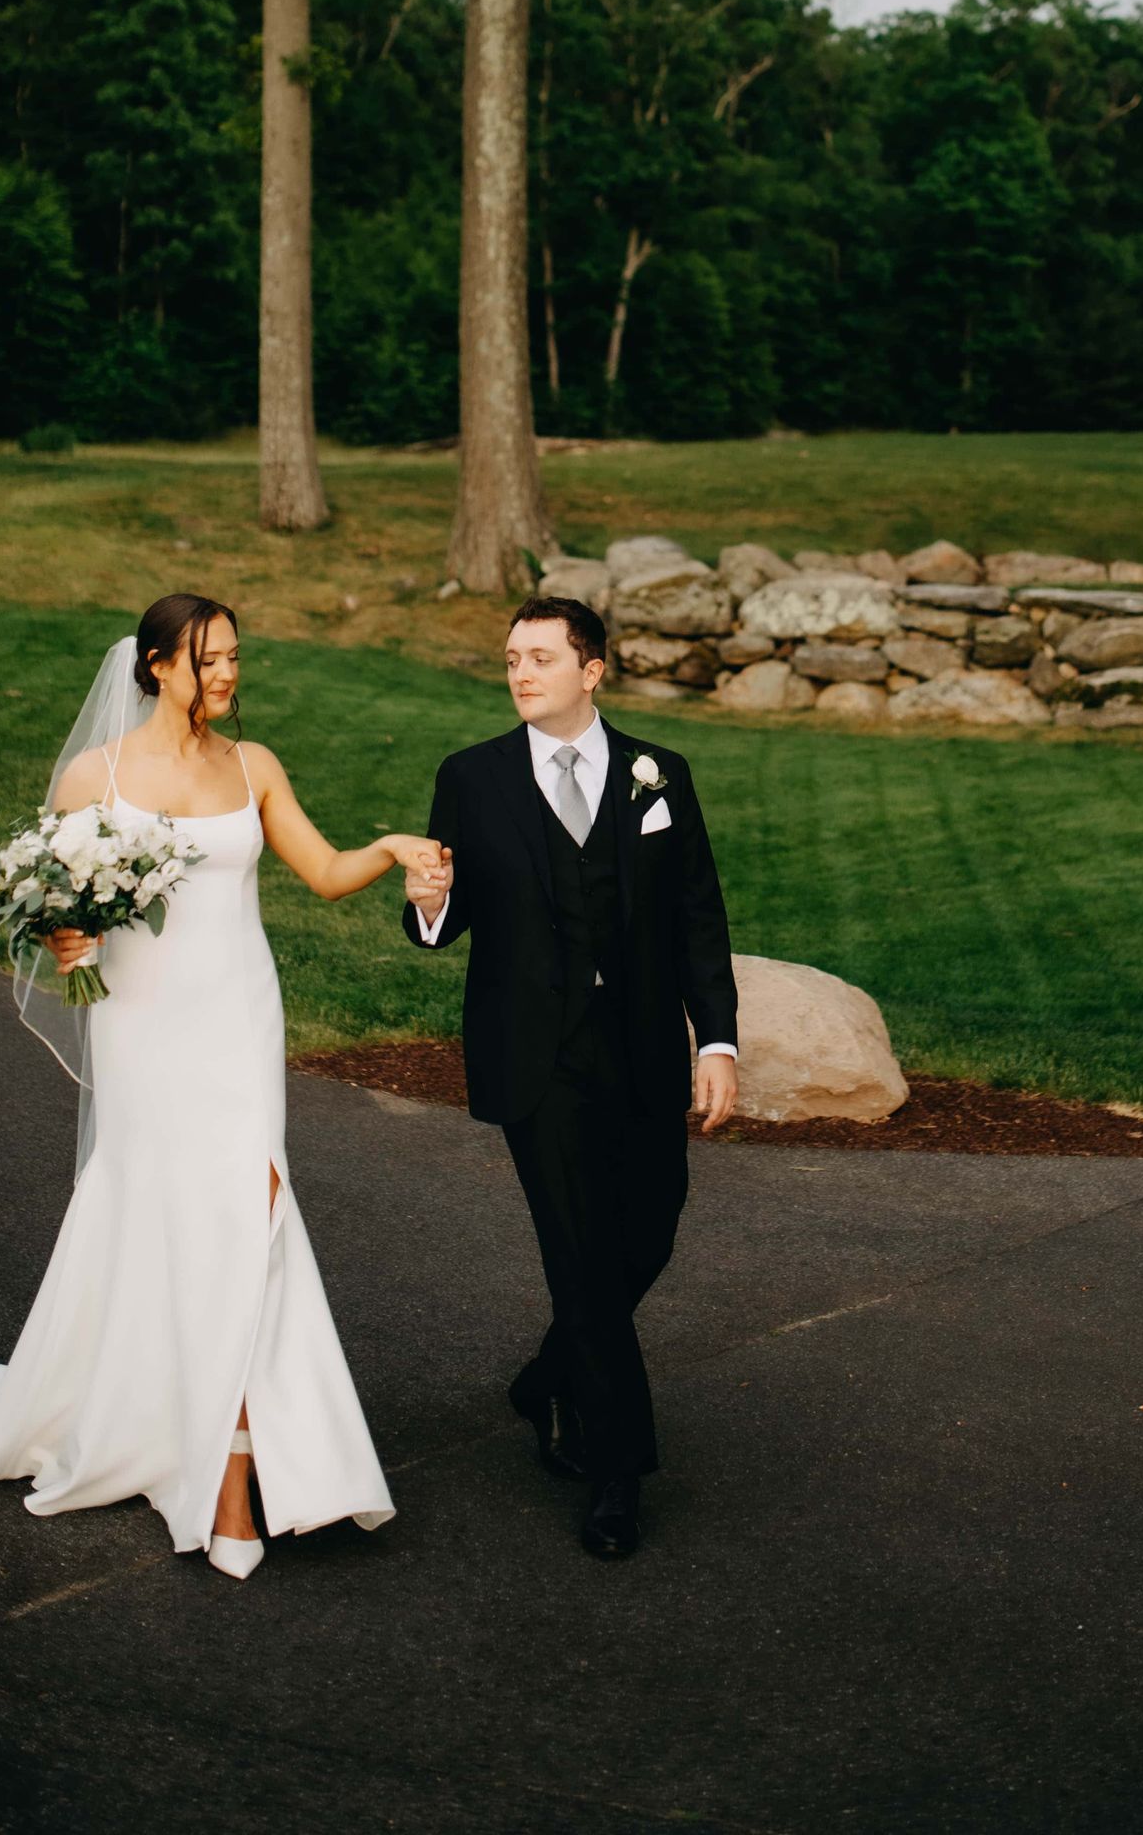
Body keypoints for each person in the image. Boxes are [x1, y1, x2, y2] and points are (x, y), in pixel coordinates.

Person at [0, 593, 448, 1583]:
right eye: (208, 660)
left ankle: (239, 1467)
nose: (227, 674)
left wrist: (391, 850)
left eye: (235, 656)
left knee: (254, 1212)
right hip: (142, 1027)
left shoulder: (255, 766)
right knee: (167, 1217)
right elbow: (54, 914)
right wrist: (69, 940)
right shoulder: (95, 777)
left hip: (237, 1017)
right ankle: (208, 1461)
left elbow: (325, 871)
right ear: (156, 666)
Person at [402, 594, 737, 1561]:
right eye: (512, 657)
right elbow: (442, 923)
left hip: (641, 1048)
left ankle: (547, 1378)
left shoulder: (658, 774)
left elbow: (697, 916)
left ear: (592, 672)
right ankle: (616, 1472)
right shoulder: (471, 777)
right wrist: (429, 902)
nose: (520, 672)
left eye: (541, 657)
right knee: (582, 1253)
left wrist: (716, 1042)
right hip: (534, 1057)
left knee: (650, 1231)